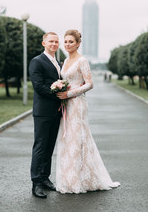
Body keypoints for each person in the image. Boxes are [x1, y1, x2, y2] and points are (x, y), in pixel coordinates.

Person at [56, 30, 120, 194]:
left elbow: (89, 84)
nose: (68, 44)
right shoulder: (64, 61)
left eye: (71, 42)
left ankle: (81, 179)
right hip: (66, 105)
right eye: (66, 42)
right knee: (67, 138)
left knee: (78, 139)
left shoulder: (82, 61)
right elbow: (64, 80)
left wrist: (69, 93)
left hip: (77, 104)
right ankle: (68, 178)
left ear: (78, 43)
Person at [29, 32, 62, 198]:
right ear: (44, 43)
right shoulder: (37, 61)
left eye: (56, 41)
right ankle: (36, 183)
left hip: (57, 111)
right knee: (40, 147)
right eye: (51, 41)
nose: (54, 44)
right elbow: (39, 86)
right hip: (42, 111)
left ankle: (45, 177)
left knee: (50, 147)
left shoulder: (58, 62)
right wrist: (57, 94)